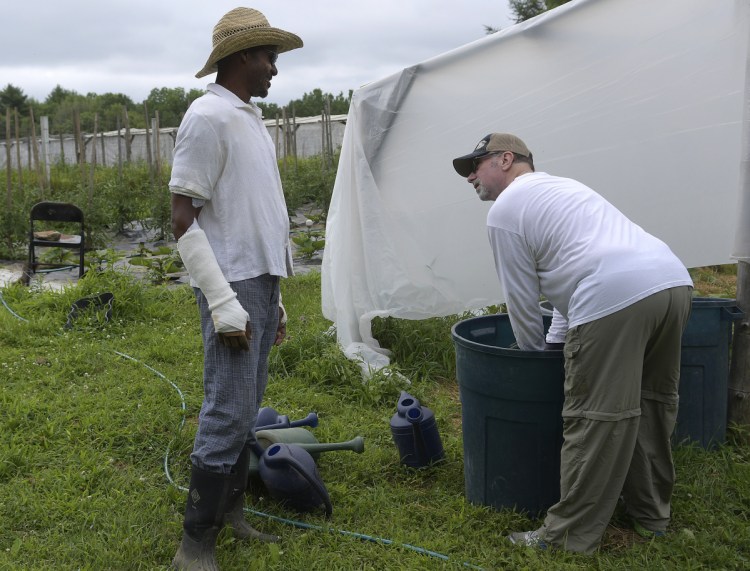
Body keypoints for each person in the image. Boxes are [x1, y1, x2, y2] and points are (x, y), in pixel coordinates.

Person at [452, 133, 694, 553]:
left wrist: (527, 364)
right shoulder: (564, 188)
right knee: (653, 404)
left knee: (597, 419)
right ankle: (651, 516)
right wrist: (556, 343)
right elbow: (575, 271)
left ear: (506, 159)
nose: (470, 175)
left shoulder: (506, 210)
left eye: (476, 164)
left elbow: (522, 302)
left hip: (613, 298)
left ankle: (567, 537)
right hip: (670, 283)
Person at [169, 8, 302, 570]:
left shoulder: (249, 119)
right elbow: (182, 217)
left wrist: (276, 297)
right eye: (269, 56)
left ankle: (232, 514)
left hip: (260, 282)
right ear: (243, 55)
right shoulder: (207, 117)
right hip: (233, 284)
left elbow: (255, 215)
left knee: (247, 406)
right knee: (226, 409)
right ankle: (194, 544)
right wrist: (224, 301)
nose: (275, 67)